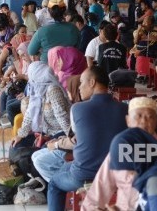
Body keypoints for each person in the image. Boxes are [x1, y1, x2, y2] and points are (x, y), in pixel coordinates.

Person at [82, 97, 157, 211]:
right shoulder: (120, 149)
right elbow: (101, 186)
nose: (143, 121)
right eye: (138, 116)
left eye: (150, 117)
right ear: (128, 120)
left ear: (156, 122)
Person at [47, 66, 128, 211]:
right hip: (116, 172)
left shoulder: (78, 109)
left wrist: (57, 145)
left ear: (92, 82)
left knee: (54, 183)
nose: (79, 87)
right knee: (65, 167)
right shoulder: (125, 109)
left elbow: (77, 139)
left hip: (85, 173)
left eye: (82, 82)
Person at [10, 61, 71, 148]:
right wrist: (20, 135)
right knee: (17, 145)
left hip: (59, 132)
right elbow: (29, 113)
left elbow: (62, 116)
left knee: (42, 149)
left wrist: (69, 138)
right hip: (45, 132)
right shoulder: (36, 90)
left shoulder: (53, 90)